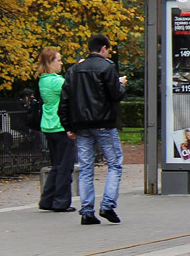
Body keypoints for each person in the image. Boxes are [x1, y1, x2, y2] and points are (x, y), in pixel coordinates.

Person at [59, 34, 127, 225]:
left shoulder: (74, 70)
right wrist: (121, 85)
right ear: (104, 48)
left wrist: (68, 126)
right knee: (114, 164)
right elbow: (115, 94)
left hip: (82, 126)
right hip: (104, 123)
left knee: (86, 168)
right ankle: (107, 205)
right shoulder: (107, 67)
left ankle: (87, 211)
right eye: (109, 49)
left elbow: (64, 100)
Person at [36, 47, 76, 212]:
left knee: (56, 165)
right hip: (60, 125)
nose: (61, 63)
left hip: (48, 124)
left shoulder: (43, 80)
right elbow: (74, 88)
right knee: (65, 166)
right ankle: (61, 202)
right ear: (50, 63)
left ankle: (47, 199)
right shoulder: (56, 81)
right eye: (58, 60)